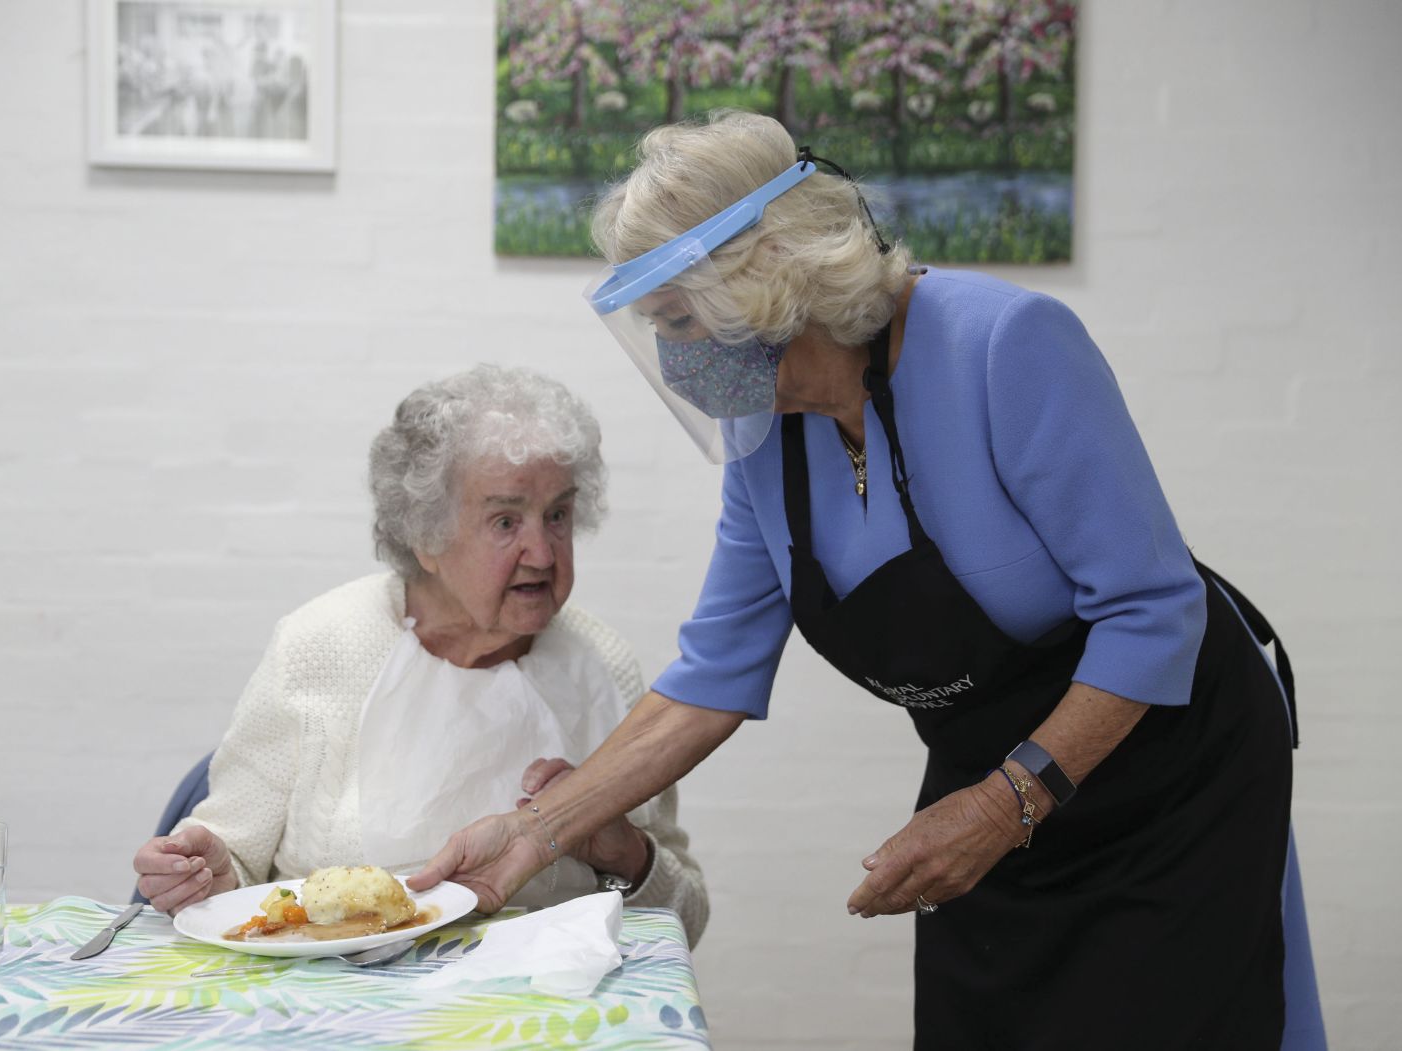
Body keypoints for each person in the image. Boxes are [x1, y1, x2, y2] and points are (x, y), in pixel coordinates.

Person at [410, 113, 1325, 1048]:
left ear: (764, 283)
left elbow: (1152, 606)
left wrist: (1005, 802)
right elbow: (711, 678)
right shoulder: (765, 439)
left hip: (1169, 778)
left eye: (680, 320)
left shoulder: (1005, 344)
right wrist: (533, 832)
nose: (676, 360)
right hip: (994, 779)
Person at [133, 365, 709, 946]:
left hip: (541, 1008)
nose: (542, 551)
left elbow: (685, 915)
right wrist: (206, 874)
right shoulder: (319, 645)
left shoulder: (603, 665)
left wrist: (627, 857)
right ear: (425, 535)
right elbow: (234, 866)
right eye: (506, 521)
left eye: (557, 515)